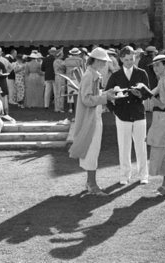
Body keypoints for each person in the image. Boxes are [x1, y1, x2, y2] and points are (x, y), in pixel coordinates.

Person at [69, 47, 116, 196]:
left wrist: (106, 94)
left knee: (92, 149)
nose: (104, 64)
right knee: (92, 149)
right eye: (102, 61)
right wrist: (105, 97)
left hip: (94, 115)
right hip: (91, 117)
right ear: (95, 60)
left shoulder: (92, 74)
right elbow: (86, 99)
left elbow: (91, 96)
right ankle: (92, 184)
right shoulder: (90, 75)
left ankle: (91, 183)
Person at [105, 46, 151, 185]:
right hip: (122, 115)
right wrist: (113, 110)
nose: (130, 62)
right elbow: (107, 95)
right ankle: (124, 175)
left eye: (132, 59)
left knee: (141, 147)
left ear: (135, 58)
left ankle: (143, 175)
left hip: (138, 114)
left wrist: (141, 94)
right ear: (121, 60)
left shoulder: (142, 73)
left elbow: (148, 94)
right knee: (124, 147)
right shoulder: (115, 76)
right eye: (126, 60)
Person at [146, 54, 165, 196]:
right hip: (160, 118)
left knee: (164, 152)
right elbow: (151, 94)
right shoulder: (163, 81)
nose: (155, 68)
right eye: (154, 65)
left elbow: (164, 105)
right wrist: (142, 92)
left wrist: (148, 95)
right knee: (163, 151)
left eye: (158, 65)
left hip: (163, 118)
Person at [65, 47, 84, 113]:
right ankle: (77, 106)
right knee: (78, 92)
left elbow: (63, 66)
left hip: (69, 77)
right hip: (77, 77)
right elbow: (83, 68)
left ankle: (70, 108)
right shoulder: (80, 60)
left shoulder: (67, 60)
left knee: (70, 92)